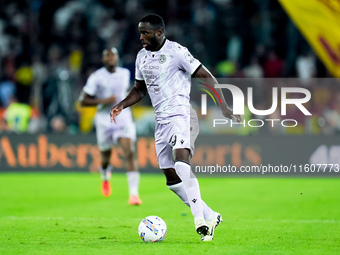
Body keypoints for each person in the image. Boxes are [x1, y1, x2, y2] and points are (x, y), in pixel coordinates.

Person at [110, 14, 241, 241]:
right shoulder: (141, 57)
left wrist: (224, 106)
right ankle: (211, 215)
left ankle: (199, 220)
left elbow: (205, 76)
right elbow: (139, 90)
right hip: (161, 121)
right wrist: (122, 104)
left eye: (145, 32)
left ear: (159, 32)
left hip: (182, 115)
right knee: (170, 177)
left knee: (181, 162)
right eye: (140, 32)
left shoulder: (177, 52)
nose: (141, 36)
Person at [79, 47, 142, 205]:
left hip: (123, 118)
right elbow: (83, 101)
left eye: (113, 55)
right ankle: (105, 176)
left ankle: (133, 194)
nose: (111, 58)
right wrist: (104, 101)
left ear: (117, 58)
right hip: (104, 119)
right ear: (103, 59)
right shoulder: (97, 77)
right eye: (108, 56)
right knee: (106, 156)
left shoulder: (125, 73)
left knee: (129, 151)